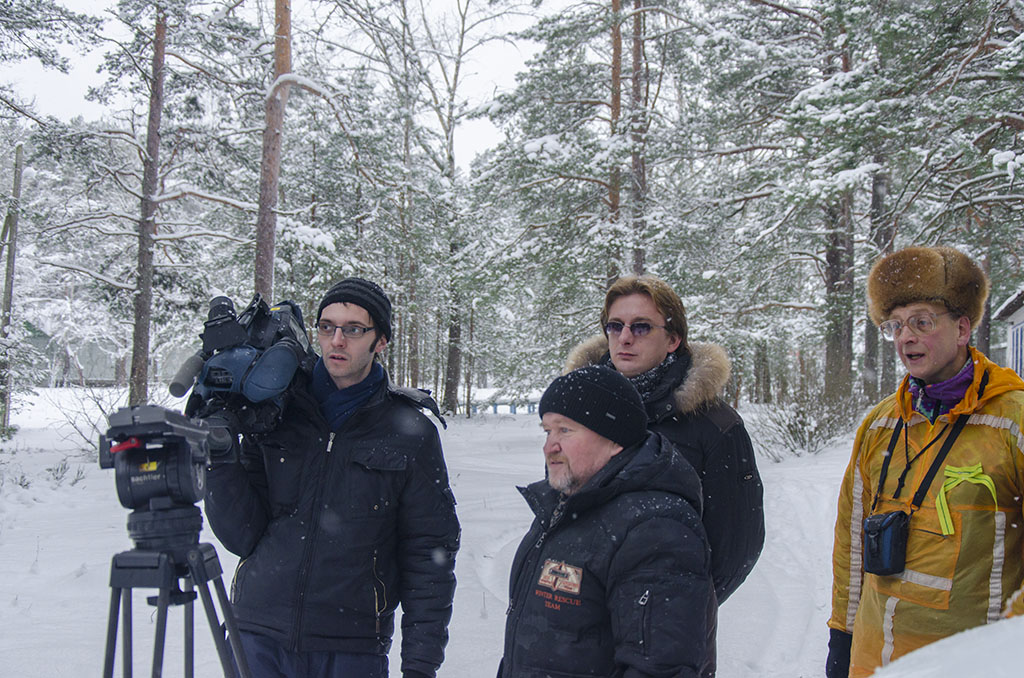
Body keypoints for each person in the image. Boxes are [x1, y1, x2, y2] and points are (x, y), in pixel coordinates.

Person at [204, 277, 460, 678]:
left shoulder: (409, 431)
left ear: (380, 341)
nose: (337, 340)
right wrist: (220, 459)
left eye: (353, 329)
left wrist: (420, 666)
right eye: (327, 327)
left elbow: (429, 554)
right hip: (257, 636)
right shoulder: (276, 413)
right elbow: (243, 537)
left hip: (351, 647)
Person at [827, 246, 1024, 677]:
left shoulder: (1013, 421)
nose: (905, 337)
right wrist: (842, 633)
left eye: (921, 321)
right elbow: (851, 542)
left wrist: (1010, 651)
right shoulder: (880, 425)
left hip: (968, 664)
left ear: (962, 328)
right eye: (895, 325)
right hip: (873, 660)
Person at [498, 365, 717, 678]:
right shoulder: (566, 506)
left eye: (565, 430)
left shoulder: (655, 528)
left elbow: (659, 668)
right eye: (547, 431)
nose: (550, 447)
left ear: (614, 439)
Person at [565, 274, 764, 603]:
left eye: (641, 327)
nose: (625, 338)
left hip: (665, 623)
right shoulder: (578, 413)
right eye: (615, 326)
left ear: (672, 339)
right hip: (574, 614)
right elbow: (560, 520)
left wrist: (671, 609)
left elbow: (735, 549)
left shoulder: (716, 427)